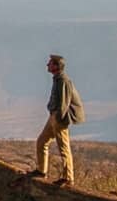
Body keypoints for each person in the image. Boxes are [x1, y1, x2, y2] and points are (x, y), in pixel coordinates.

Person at [29, 54, 80, 187]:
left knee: (63, 148)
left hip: (58, 118)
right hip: (53, 116)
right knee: (42, 141)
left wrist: (58, 117)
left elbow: (64, 103)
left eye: (50, 63)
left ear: (57, 66)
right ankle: (41, 171)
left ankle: (68, 178)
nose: (47, 65)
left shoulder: (63, 80)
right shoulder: (58, 79)